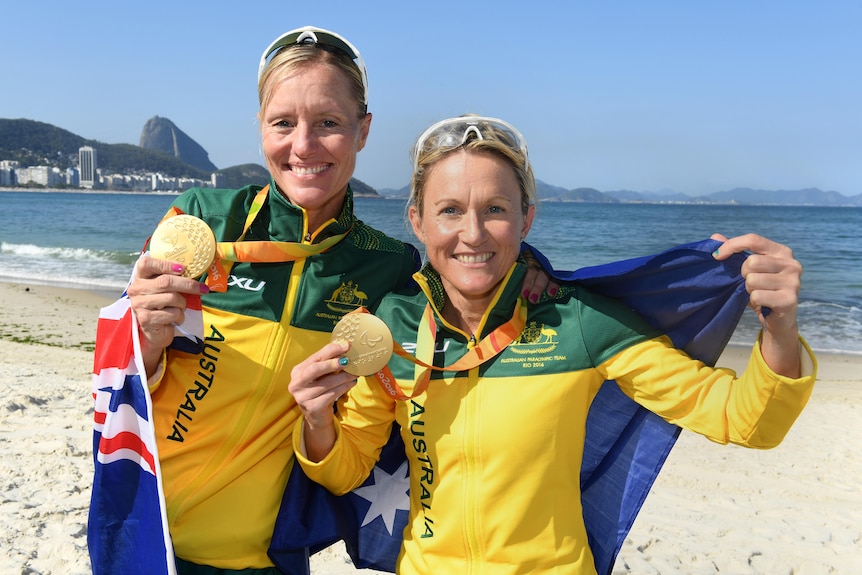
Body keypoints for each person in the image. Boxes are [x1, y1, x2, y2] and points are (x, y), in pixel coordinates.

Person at [90, 30, 553, 575]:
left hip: (267, 558)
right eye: (283, 122)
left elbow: (466, 281)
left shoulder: (389, 268)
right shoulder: (200, 222)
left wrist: (528, 269)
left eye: (329, 123)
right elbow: (119, 380)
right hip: (142, 536)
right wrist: (142, 336)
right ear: (261, 127)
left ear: (363, 129)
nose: (304, 145)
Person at [288, 115, 817, 574]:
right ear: (417, 222)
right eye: (449, 210)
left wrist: (780, 328)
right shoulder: (392, 325)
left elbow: (747, 421)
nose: (472, 233)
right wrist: (316, 422)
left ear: (527, 219)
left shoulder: (578, 321)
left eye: (495, 209)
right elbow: (347, 470)